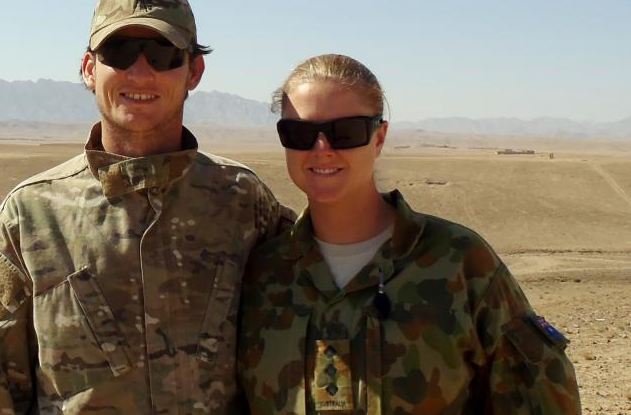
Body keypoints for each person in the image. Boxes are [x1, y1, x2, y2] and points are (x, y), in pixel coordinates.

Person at [0, 0, 292, 414]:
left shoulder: (244, 202)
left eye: (163, 53)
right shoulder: (29, 216)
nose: (140, 70)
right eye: (119, 52)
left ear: (194, 71)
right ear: (90, 69)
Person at [237, 54, 581, 414]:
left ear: (379, 137)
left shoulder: (460, 264)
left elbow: (543, 401)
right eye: (300, 134)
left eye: (346, 132)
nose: (322, 149)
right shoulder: (262, 274)